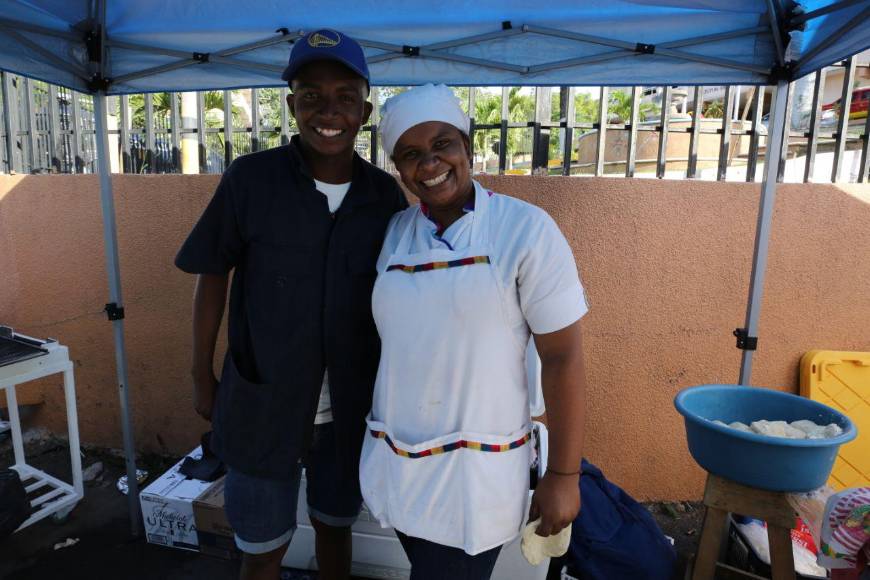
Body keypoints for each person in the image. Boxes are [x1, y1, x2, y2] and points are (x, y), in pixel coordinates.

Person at [175, 29, 407, 580]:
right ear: (291, 105)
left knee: (335, 527)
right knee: (261, 549)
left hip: (350, 409)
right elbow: (212, 275)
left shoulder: (384, 197)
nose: (328, 112)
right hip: (261, 406)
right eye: (311, 97)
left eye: (345, 98)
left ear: (365, 111)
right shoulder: (251, 180)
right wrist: (201, 375)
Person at [359, 84, 589, 580]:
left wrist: (564, 474)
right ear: (398, 168)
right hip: (400, 461)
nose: (429, 163)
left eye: (442, 144)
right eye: (410, 154)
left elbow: (564, 357)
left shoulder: (526, 230)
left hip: (475, 478)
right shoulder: (396, 232)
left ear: (466, 144)